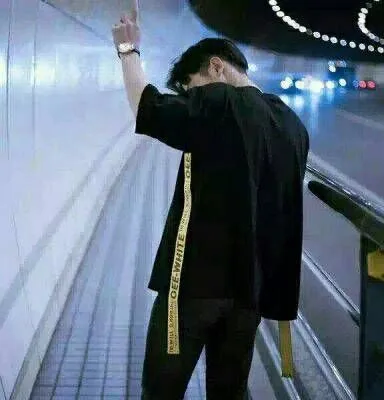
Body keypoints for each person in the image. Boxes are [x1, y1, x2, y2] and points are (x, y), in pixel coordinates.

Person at [112, 2, 309, 399]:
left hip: (194, 286)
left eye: (193, 90)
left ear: (217, 68)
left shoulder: (220, 102)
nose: (193, 101)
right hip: (251, 292)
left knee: (162, 390)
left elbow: (147, 107)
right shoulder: (291, 123)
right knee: (229, 391)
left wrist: (128, 51)